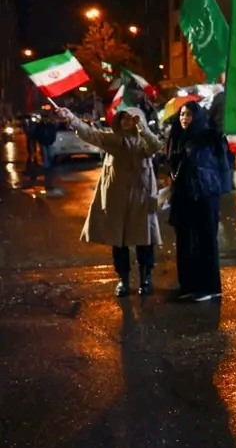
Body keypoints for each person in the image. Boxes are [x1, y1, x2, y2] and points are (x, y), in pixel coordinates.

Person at [57, 106, 163, 296]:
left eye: (131, 119)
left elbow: (156, 146)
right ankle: (123, 279)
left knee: (145, 239)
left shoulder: (144, 142)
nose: (126, 122)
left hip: (141, 197)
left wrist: (144, 129)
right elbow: (90, 133)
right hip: (117, 198)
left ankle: (146, 277)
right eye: (123, 118)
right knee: (119, 241)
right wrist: (71, 118)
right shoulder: (112, 140)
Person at [166, 102, 226, 302]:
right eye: (182, 114)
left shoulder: (208, 136)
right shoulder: (177, 136)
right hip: (184, 195)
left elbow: (214, 161)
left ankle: (210, 287)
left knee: (205, 240)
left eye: (189, 114)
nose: (184, 118)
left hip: (204, 194)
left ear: (198, 117)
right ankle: (189, 285)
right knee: (185, 241)